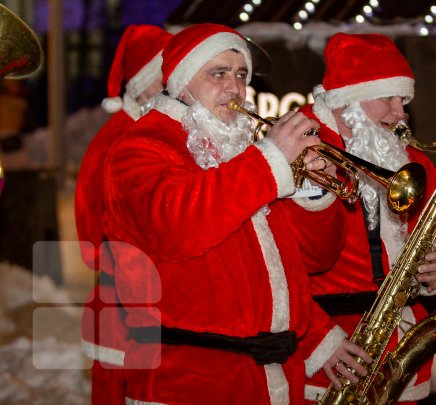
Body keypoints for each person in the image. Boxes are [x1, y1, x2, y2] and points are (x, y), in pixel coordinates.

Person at [102, 23, 370, 404]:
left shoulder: (247, 152)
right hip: (189, 382)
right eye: (218, 73)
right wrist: (269, 161)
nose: (235, 87)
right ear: (182, 82)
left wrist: (314, 189)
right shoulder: (141, 146)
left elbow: (312, 261)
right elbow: (180, 226)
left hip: (272, 378)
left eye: (241, 74)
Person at [298, 33, 436, 403]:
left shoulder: (406, 154)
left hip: (397, 348)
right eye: (389, 98)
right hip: (333, 353)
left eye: (403, 99)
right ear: (350, 99)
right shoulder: (304, 151)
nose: (401, 113)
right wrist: (319, 340)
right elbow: (276, 267)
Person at [74, 24, 172, 405]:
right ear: (140, 86)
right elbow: (89, 226)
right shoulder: (118, 138)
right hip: (122, 309)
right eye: (162, 82)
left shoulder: (152, 133)